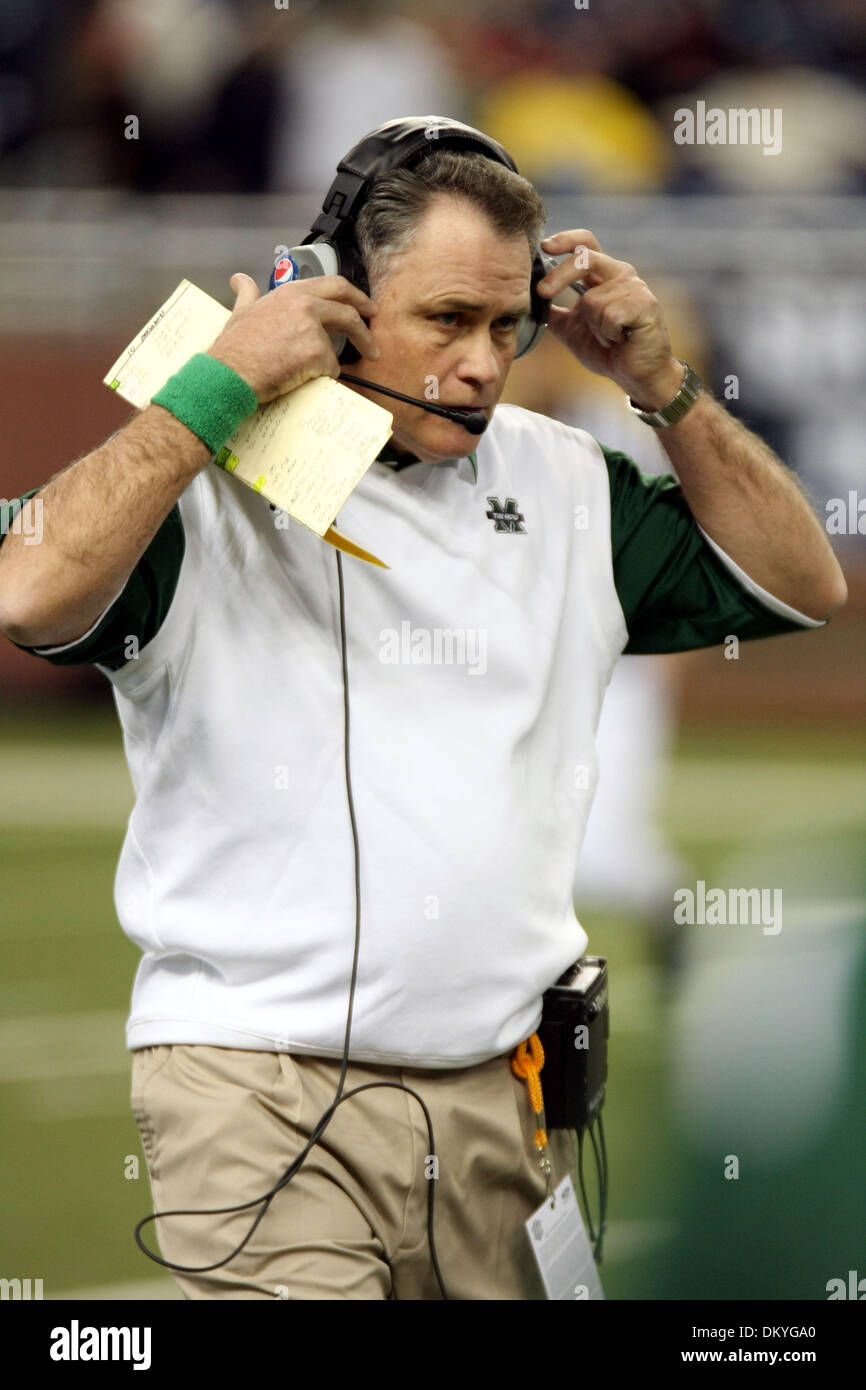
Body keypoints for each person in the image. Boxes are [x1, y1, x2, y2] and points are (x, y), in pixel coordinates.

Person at [0, 122, 847, 1301]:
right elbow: (26, 585)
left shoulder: (567, 482)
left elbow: (801, 585)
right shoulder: (198, 482)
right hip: (259, 1091)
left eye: (508, 326)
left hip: (512, 1099)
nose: (483, 363)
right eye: (446, 320)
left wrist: (660, 380)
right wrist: (218, 382)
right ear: (334, 291)